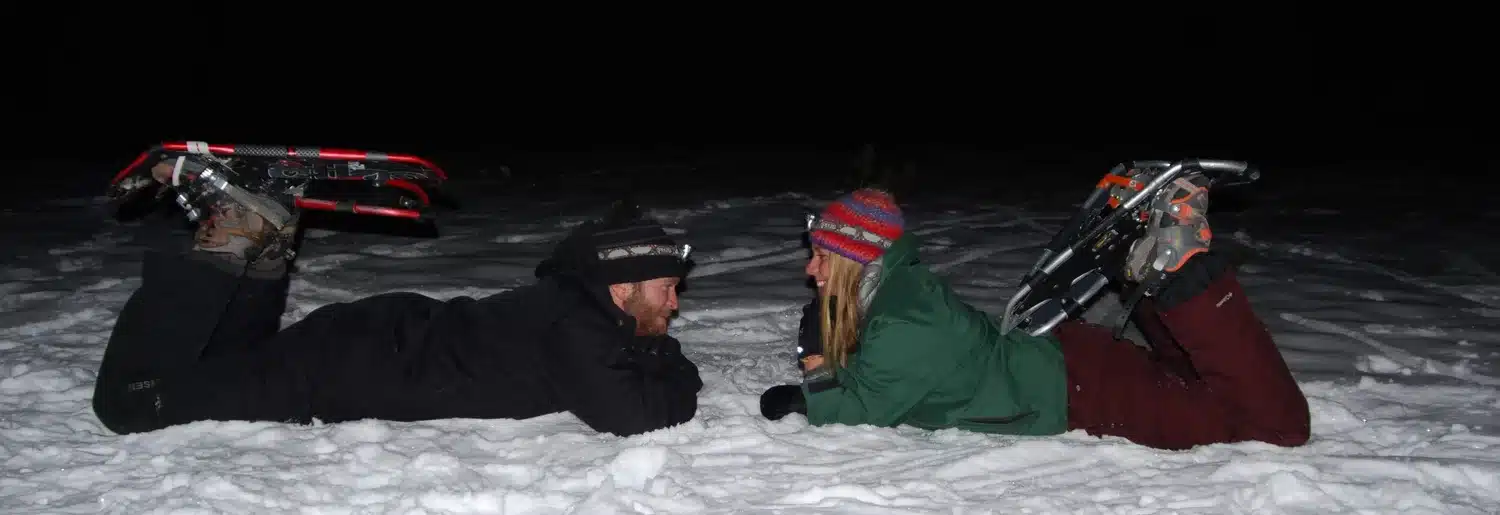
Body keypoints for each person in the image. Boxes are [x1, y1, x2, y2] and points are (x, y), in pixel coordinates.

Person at [93, 159, 703, 437]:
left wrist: (655, 351)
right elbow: (633, 417)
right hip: (338, 371)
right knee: (130, 406)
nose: (675, 305)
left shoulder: (573, 303)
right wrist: (673, 364)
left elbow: (628, 371)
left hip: (365, 343)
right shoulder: (579, 326)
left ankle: (262, 237)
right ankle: (230, 239)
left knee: (220, 362)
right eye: (667, 289)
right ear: (620, 287)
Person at [759, 186, 1311, 451]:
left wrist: (814, 370)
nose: (809, 270)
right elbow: (877, 378)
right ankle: (1151, 273)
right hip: (1067, 369)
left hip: (1078, 393)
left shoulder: (908, 320)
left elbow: (859, 412)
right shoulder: (895, 293)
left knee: (1276, 428)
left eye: (821, 257)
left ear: (860, 261)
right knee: (1199, 381)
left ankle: (1185, 271)